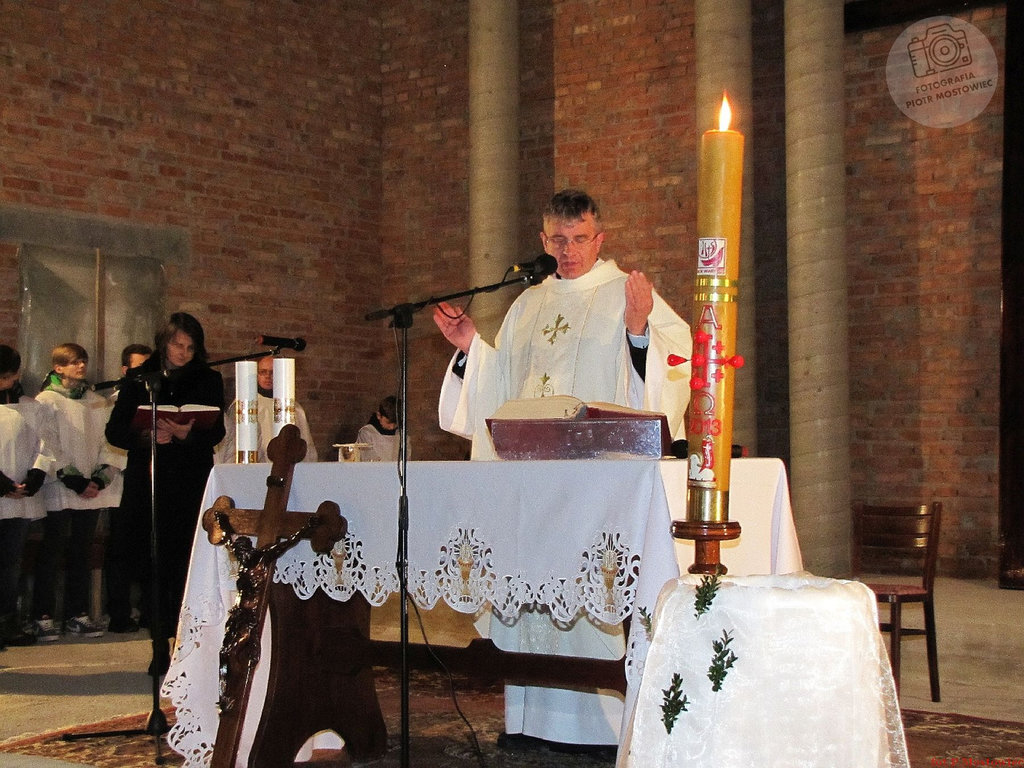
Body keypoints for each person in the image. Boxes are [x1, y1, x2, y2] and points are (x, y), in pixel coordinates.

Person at [433, 189, 692, 751]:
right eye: (558, 240)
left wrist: (639, 329)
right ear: (542, 240)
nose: (568, 251)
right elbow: (502, 386)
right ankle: (530, 720)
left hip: (593, 486)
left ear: (599, 239)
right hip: (531, 485)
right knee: (530, 594)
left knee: (591, 590)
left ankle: (599, 728)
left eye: (579, 239)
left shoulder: (627, 292)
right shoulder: (528, 304)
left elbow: (673, 364)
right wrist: (470, 347)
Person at [105, 313, 225, 662]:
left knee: (186, 561)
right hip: (150, 481)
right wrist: (147, 436)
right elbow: (115, 432)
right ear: (163, 342)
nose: (183, 353)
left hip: (190, 482)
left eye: (190, 347)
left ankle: (186, 643)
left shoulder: (208, 378)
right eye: (177, 344)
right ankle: (159, 642)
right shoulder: (140, 379)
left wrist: (189, 434)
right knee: (152, 561)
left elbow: (217, 430)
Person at [32, 343, 125, 641]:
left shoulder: (97, 402)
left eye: (83, 361)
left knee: (81, 552)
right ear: (58, 367)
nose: (81, 366)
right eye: (73, 362)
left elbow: (111, 440)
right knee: (53, 549)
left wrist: (100, 477)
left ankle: (77, 614)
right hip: (60, 486)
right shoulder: (46, 400)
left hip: (91, 488)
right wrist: (72, 478)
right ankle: (42, 615)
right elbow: (45, 442)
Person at [1, 345, 55, 648]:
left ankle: (8, 621)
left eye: (8, 377)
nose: (4, 383)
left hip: (20, 497)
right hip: (3, 489)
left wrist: (37, 473)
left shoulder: (30, 406)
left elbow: (45, 444)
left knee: (11, 563)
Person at [102, 343, 153, 633]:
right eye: (140, 367)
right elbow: (108, 441)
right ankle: (119, 613)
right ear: (125, 370)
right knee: (120, 551)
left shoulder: (154, 397)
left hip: (144, 483)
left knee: (150, 548)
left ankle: (149, 610)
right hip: (116, 484)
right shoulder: (115, 400)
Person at [214, 354, 317, 464]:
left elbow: (307, 445)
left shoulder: (293, 407)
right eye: (263, 372)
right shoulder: (246, 404)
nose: (268, 376)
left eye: (272, 372)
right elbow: (234, 443)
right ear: (257, 374)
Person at [355, 395, 401, 462]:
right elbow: (367, 458)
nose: (392, 427)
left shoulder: (401, 434)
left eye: (395, 423)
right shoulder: (367, 432)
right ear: (379, 415)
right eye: (388, 422)